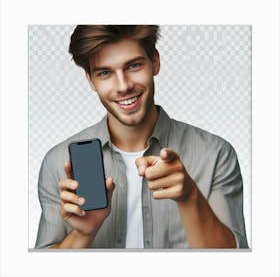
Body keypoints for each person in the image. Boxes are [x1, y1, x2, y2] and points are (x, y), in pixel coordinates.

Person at [35, 25, 248, 249]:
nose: (124, 86)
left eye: (134, 65)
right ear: (90, 80)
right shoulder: (57, 161)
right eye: (105, 73)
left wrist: (190, 197)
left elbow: (236, 263)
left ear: (154, 62)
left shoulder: (215, 154)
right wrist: (82, 234)